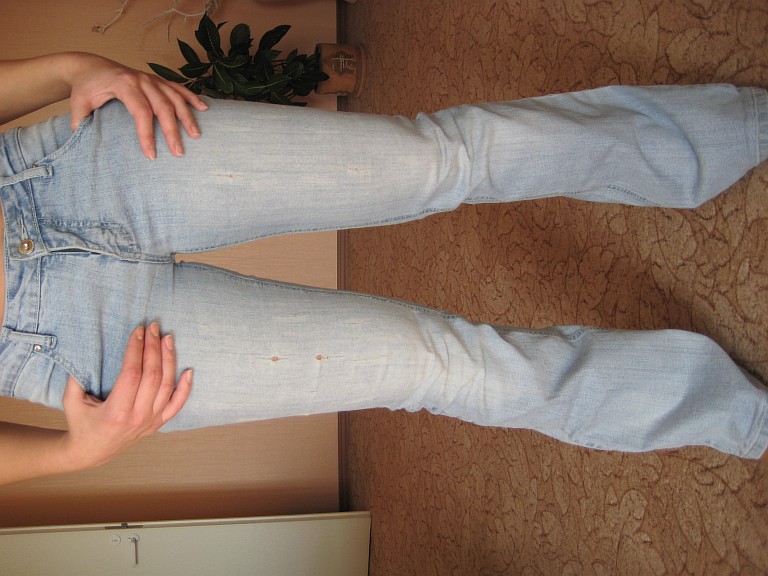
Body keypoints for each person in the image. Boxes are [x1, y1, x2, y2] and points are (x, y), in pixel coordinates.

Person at [0, 52, 766, 487]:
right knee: (438, 366)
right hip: (74, 352)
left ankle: (732, 130)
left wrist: (67, 67)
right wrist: (72, 454)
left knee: (438, 159)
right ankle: (740, 414)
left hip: (58, 176)